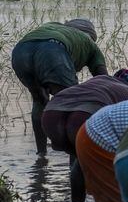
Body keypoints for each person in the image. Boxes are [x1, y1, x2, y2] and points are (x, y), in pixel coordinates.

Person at [42, 69, 128, 202]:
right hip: (83, 116)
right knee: (83, 165)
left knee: (79, 162)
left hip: (51, 114)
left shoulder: (101, 79)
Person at [10, 19, 107, 157]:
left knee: (39, 101)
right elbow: (105, 80)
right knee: (73, 104)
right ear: (91, 36)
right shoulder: (89, 42)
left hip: (20, 52)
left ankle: (41, 154)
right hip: (53, 50)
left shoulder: (51, 26)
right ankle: (75, 157)